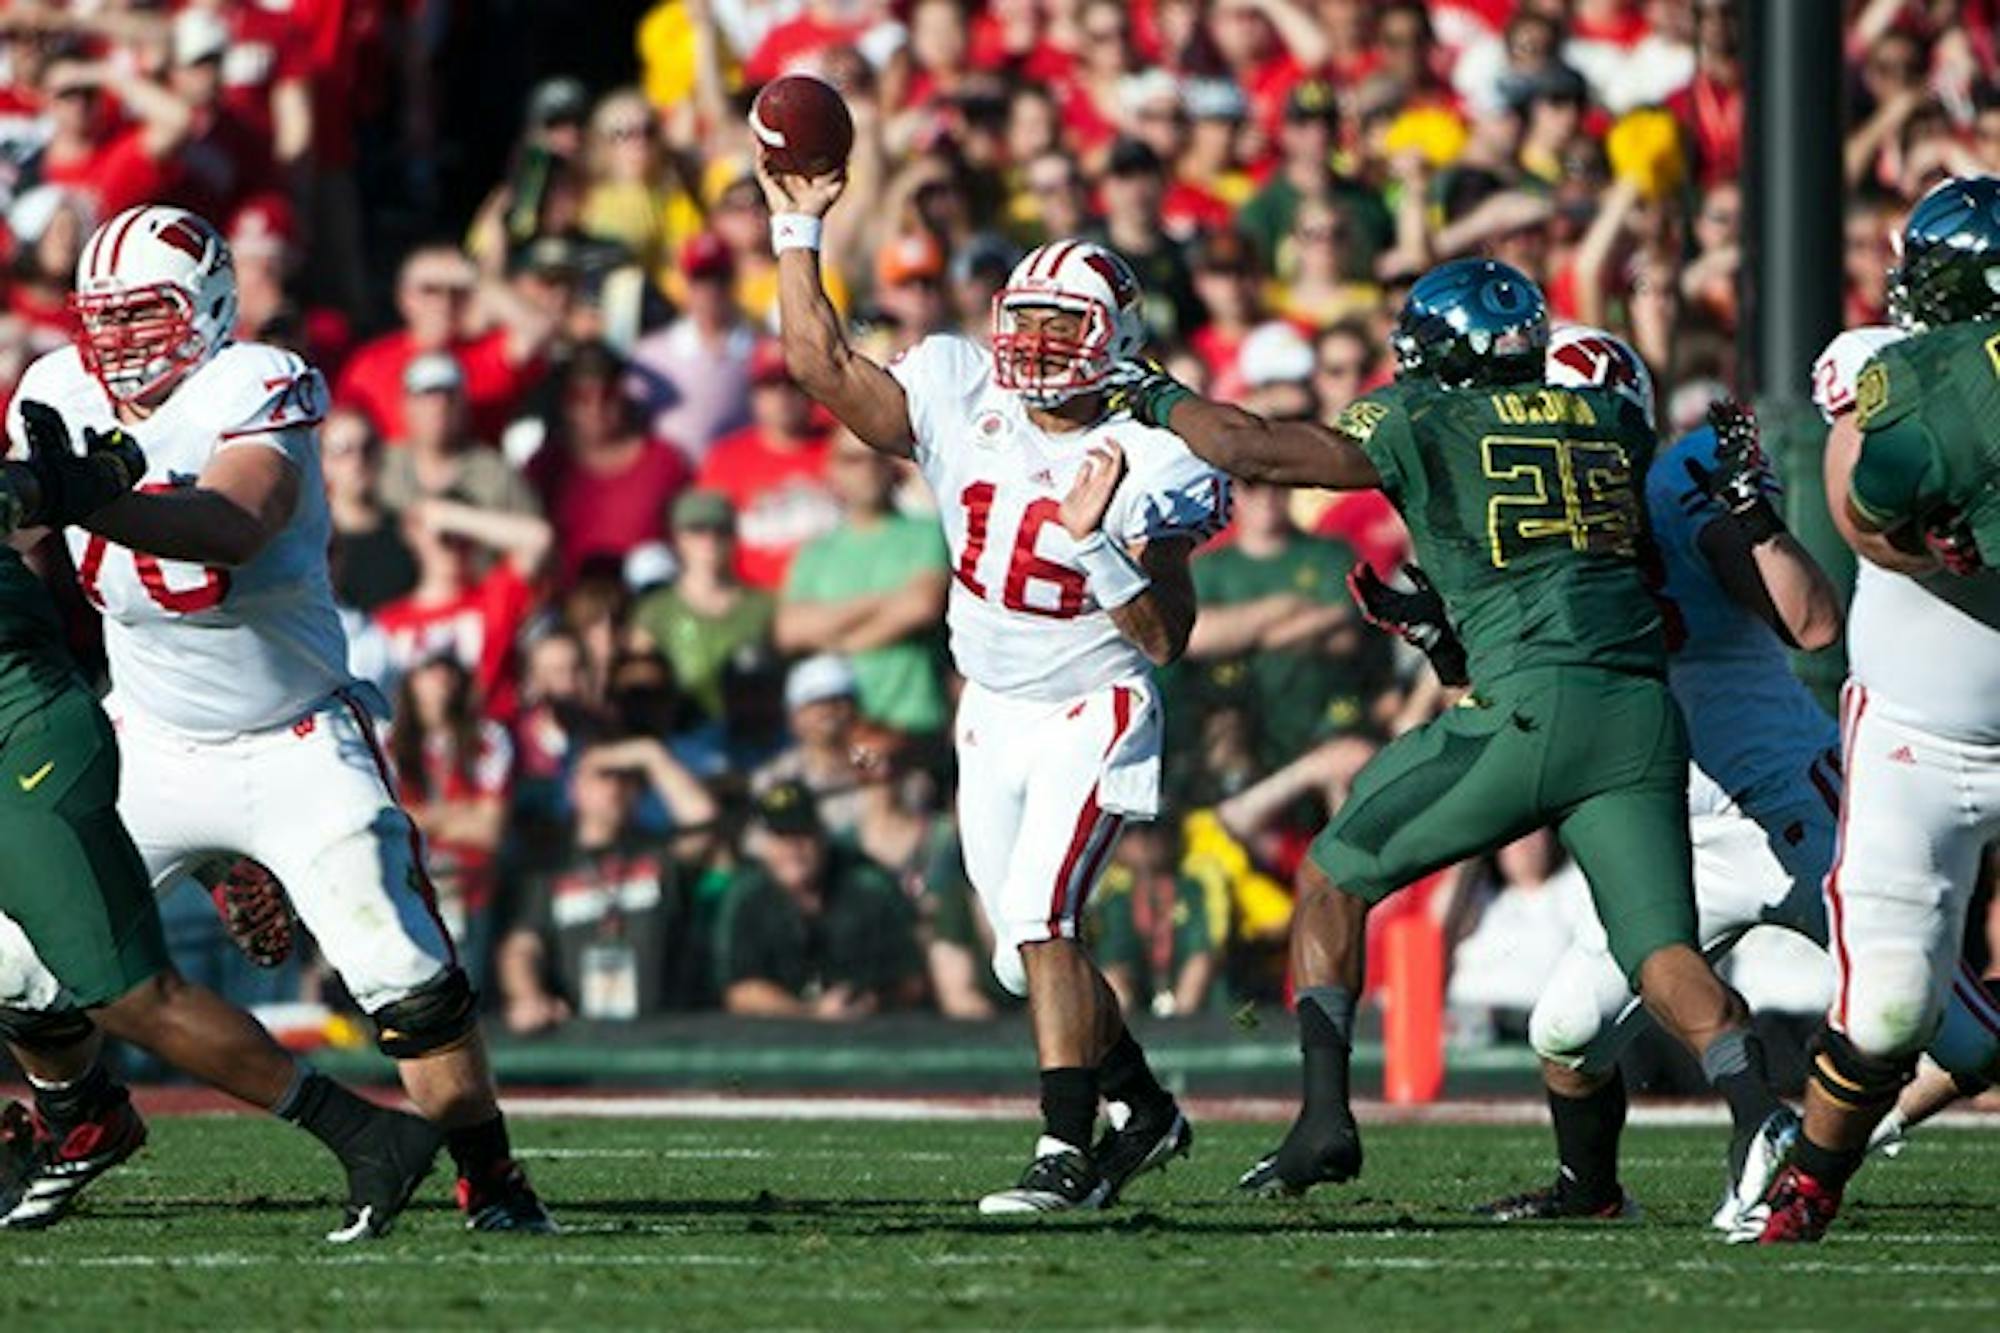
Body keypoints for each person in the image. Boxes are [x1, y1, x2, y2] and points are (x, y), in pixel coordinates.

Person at [1112, 257, 1788, 1212]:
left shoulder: (1421, 415)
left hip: (1528, 710)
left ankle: (1321, 1122)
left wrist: (1151, 392)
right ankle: (1763, 1116)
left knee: (1334, 874)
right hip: (1636, 712)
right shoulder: (1608, 418)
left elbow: (1254, 450)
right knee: (1661, 954)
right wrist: (1443, 629)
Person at [0, 205, 553, 1232]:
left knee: (403, 976)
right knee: (16, 964)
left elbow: (234, 525)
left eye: (146, 314)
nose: (118, 342)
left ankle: (490, 1174)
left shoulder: (256, 380)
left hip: (292, 735)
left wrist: (87, 496)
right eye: (102, 317)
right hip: (149, 740)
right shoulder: (55, 390)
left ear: (209, 306)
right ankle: (83, 1117)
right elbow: (29, 528)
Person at [1441, 327, 1997, 1231]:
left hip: (1785, 797)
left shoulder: (1677, 480)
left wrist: (1753, 518)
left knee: (1966, 1036)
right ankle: (1590, 1193)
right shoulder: (1518, 531)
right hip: (1664, 824)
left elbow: (1813, 625)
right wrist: (1442, 640)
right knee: (1566, 1033)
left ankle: (1842, 1137)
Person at [760, 152, 1228, 1214]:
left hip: (1093, 703)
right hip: (990, 709)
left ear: (1112, 345)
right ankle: (1144, 1110)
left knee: (1039, 920)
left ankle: (1064, 1153)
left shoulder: (1150, 452)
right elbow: (824, 368)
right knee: (1024, 961)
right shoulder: (957, 382)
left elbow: (1165, 639)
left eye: (1062, 327)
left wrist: (1096, 544)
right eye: (1025, 319)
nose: (1032, 344)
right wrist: (797, 232)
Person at [1757, 177, 2000, 1244]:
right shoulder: (1881, 365)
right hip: (1917, 734)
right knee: (1888, 1006)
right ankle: (1806, 1181)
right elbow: (1856, 507)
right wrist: (1929, 541)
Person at [497, 735, 720, 1031]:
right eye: (604, 776)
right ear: (574, 788)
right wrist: (528, 996)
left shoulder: (658, 856)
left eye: (628, 778)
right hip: (580, 1038)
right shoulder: (549, 867)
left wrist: (651, 755)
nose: (616, 788)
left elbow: (704, 821)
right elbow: (522, 946)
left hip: (660, 1037)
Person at [777, 428, 951, 737]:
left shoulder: (927, 533)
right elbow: (790, 629)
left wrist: (841, 641)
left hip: (912, 724)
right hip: (839, 732)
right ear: (832, 470)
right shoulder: (817, 551)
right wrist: (884, 602)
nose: (866, 469)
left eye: (876, 457)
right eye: (852, 460)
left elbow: (921, 607)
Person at [714, 779, 925, 1019]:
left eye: (802, 834)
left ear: (821, 833)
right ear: (765, 844)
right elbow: (741, 991)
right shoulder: (747, 895)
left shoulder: (867, 885)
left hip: (871, 1028)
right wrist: (811, 1012)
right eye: (781, 837)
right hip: (775, 1036)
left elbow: (910, 979)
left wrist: (873, 1000)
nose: (793, 848)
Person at [696, 339, 840, 590]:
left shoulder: (841, 450)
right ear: (754, 395)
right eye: (770, 386)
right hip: (751, 596)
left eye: (792, 385)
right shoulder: (727, 457)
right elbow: (705, 537)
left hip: (830, 593)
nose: (782, 396)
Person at [629, 488, 777, 724]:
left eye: (721, 530)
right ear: (678, 538)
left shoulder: (764, 605)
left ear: (734, 536)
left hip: (755, 733)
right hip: (683, 735)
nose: (710, 540)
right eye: (697, 530)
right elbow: (638, 680)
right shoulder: (655, 611)